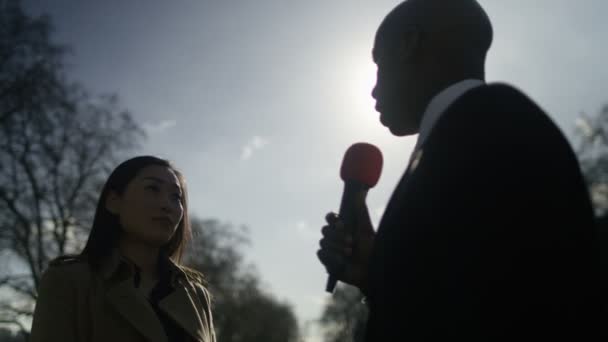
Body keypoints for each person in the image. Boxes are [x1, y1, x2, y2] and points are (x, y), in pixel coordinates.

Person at [317, 0, 601, 340]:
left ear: (409, 43)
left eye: (378, 63)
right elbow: (462, 287)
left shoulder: (500, 125)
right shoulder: (457, 140)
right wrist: (376, 274)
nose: (375, 88)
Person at [30, 156, 216, 342]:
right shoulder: (68, 281)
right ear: (114, 201)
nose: (167, 204)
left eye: (176, 196)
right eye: (152, 188)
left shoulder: (196, 294)